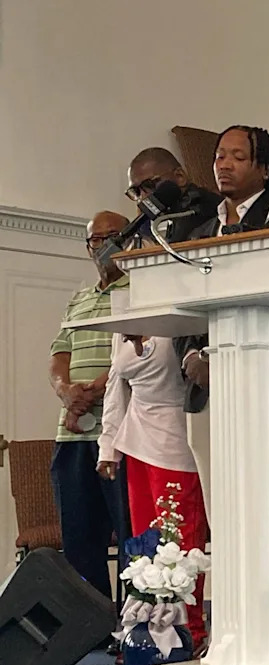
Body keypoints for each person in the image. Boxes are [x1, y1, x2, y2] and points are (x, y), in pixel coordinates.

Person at [174, 125, 269, 516]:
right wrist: (191, 357)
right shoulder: (199, 231)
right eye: (220, 156)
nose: (224, 165)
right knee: (218, 507)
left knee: (264, 500)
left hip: (267, 383)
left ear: (264, 168)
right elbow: (182, 306)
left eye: (238, 157)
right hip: (203, 388)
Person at [96, 332, 208, 653]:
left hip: (177, 439)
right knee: (143, 546)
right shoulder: (124, 324)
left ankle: (189, 633)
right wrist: (108, 446)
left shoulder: (178, 321)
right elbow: (116, 385)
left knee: (181, 546)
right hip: (136, 442)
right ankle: (146, 631)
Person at [49, 211, 132, 607]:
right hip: (72, 436)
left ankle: (135, 622)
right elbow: (58, 353)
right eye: (95, 240)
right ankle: (92, 627)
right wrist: (65, 391)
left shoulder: (140, 291)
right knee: (79, 541)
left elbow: (133, 353)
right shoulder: (78, 299)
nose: (102, 246)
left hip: (119, 436)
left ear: (128, 240)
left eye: (112, 236)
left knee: (131, 535)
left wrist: (94, 390)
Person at [126, 147, 221, 244]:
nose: (143, 197)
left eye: (149, 185)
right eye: (136, 191)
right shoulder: (145, 225)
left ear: (180, 177)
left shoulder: (211, 207)